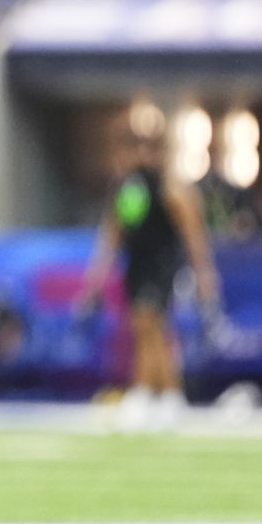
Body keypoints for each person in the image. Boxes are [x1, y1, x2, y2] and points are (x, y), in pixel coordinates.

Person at [76, 131, 222, 431]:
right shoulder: (128, 189)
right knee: (142, 328)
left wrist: (204, 274)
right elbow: (112, 233)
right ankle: (157, 393)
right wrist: (96, 279)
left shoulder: (171, 189)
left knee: (152, 324)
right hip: (137, 264)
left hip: (162, 264)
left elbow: (193, 235)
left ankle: (160, 393)